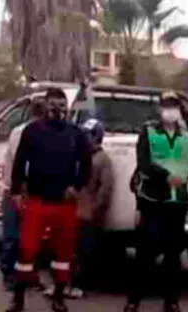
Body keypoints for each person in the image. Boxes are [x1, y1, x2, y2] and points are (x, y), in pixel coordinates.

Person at [123, 91, 188, 312]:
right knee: (146, 254)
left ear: (179, 110)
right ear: (160, 109)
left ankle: (171, 302)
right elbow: (144, 163)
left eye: (174, 106)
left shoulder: (186, 136)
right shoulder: (148, 131)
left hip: (177, 203)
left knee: (173, 254)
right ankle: (134, 301)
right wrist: (165, 176)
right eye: (166, 106)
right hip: (153, 200)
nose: (170, 110)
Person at [7, 87, 92, 312]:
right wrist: (16, 192)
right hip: (37, 200)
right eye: (53, 104)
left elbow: (87, 165)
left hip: (64, 204)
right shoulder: (32, 131)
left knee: (63, 254)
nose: (58, 109)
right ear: (45, 106)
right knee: (27, 251)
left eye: (62, 105)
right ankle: (18, 299)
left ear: (68, 108)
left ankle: (58, 297)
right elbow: (19, 163)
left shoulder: (76, 134)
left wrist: (77, 186)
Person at [44, 118, 114, 299]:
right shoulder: (77, 155)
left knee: (81, 252)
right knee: (61, 248)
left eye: (87, 135)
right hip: (68, 209)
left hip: (86, 214)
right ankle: (59, 284)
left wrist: (95, 209)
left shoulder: (102, 159)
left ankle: (76, 285)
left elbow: (105, 188)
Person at [0, 98, 46, 291]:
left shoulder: (42, 132)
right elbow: (23, 163)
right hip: (16, 191)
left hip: (33, 192)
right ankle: (10, 274)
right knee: (13, 236)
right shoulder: (22, 133)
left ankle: (29, 275)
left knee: (32, 238)